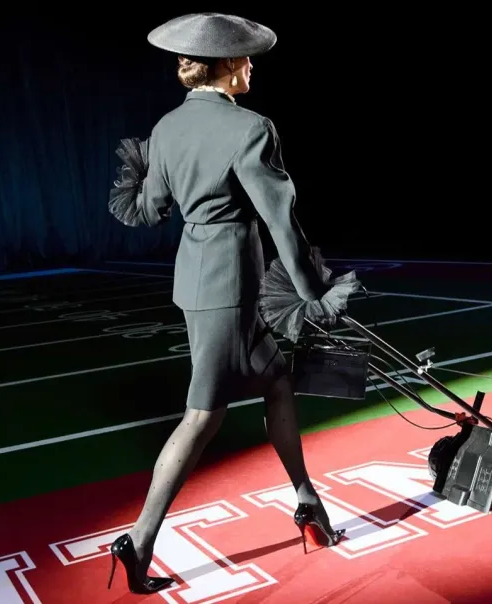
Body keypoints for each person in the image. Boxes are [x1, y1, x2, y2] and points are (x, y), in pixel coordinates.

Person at [106, 13, 345, 595]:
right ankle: (139, 540)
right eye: (245, 57)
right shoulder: (251, 128)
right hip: (228, 290)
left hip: (195, 282)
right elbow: (281, 221)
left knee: (278, 381)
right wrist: (313, 293)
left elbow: (152, 207)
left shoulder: (167, 127)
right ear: (228, 65)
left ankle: (307, 498)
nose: (252, 65)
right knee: (202, 415)